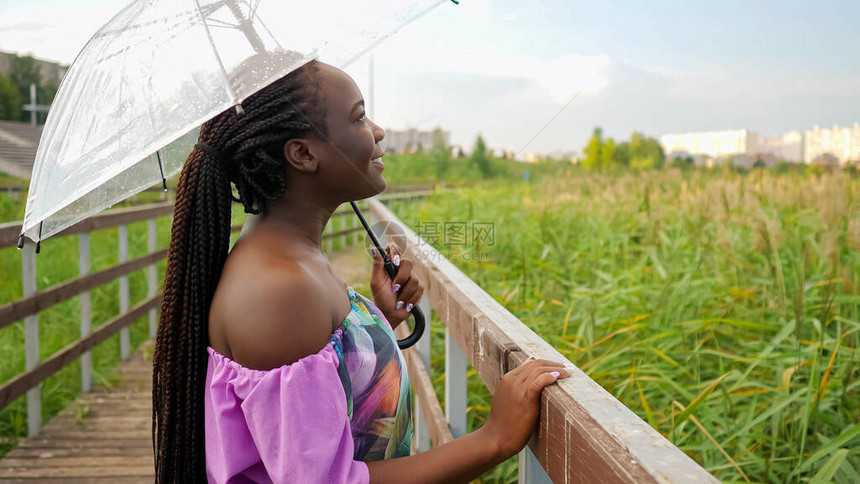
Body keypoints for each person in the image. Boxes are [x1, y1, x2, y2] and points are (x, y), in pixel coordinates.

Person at [152, 58, 573, 483]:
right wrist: (494, 440)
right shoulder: (279, 289)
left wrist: (375, 324)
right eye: (358, 116)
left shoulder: (291, 260)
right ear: (302, 153)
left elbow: (321, 383)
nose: (377, 131)